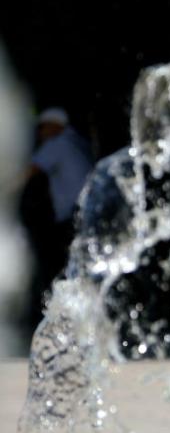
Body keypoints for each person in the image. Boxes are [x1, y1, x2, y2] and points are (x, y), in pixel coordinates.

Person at [19, 107, 94, 323]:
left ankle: (57, 318)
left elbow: (29, 172)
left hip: (72, 216)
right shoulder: (79, 143)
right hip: (87, 215)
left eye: (43, 127)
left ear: (56, 125)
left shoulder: (57, 144)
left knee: (56, 265)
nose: (40, 133)